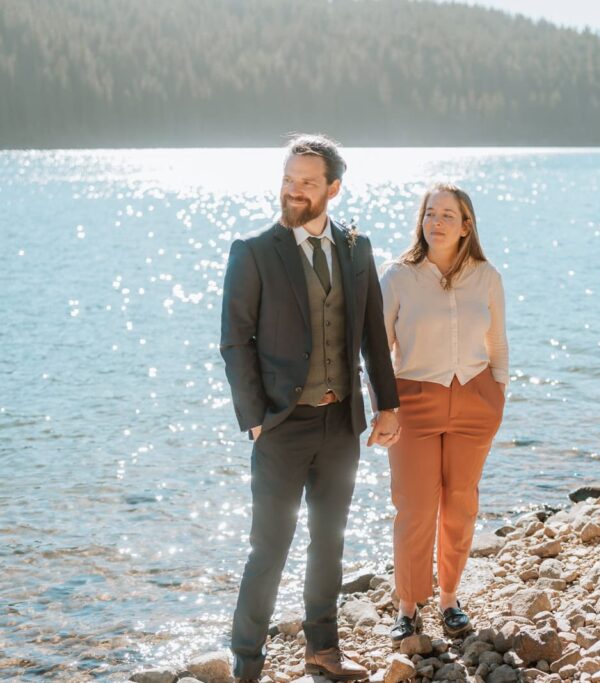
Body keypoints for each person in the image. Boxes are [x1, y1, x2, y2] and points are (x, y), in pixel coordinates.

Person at [220, 134, 400, 683]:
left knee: (330, 542)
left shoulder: (356, 248)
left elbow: (372, 334)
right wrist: (255, 420)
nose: (294, 191)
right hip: (280, 426)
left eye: (307, 182)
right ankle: (247, 661)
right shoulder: (253, 252)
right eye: (288, 179)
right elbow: (235, 341)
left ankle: (323, 650)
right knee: (268, 550)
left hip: (340, 423)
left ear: (333, 188)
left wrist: (386, 405)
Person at [379, 183, 508, 644]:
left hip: (475, 398)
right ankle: (408, 605)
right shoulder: (398, 275)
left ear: (466, 224)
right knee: (415, 507)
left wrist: (499, 395)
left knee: (460, 503)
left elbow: (497, 343)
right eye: (430, 213)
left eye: (447, 215)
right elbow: (378, 348)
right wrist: (383, 408)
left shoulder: (486, 275)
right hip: (413, 400)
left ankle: (450, 599)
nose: (436, 222)